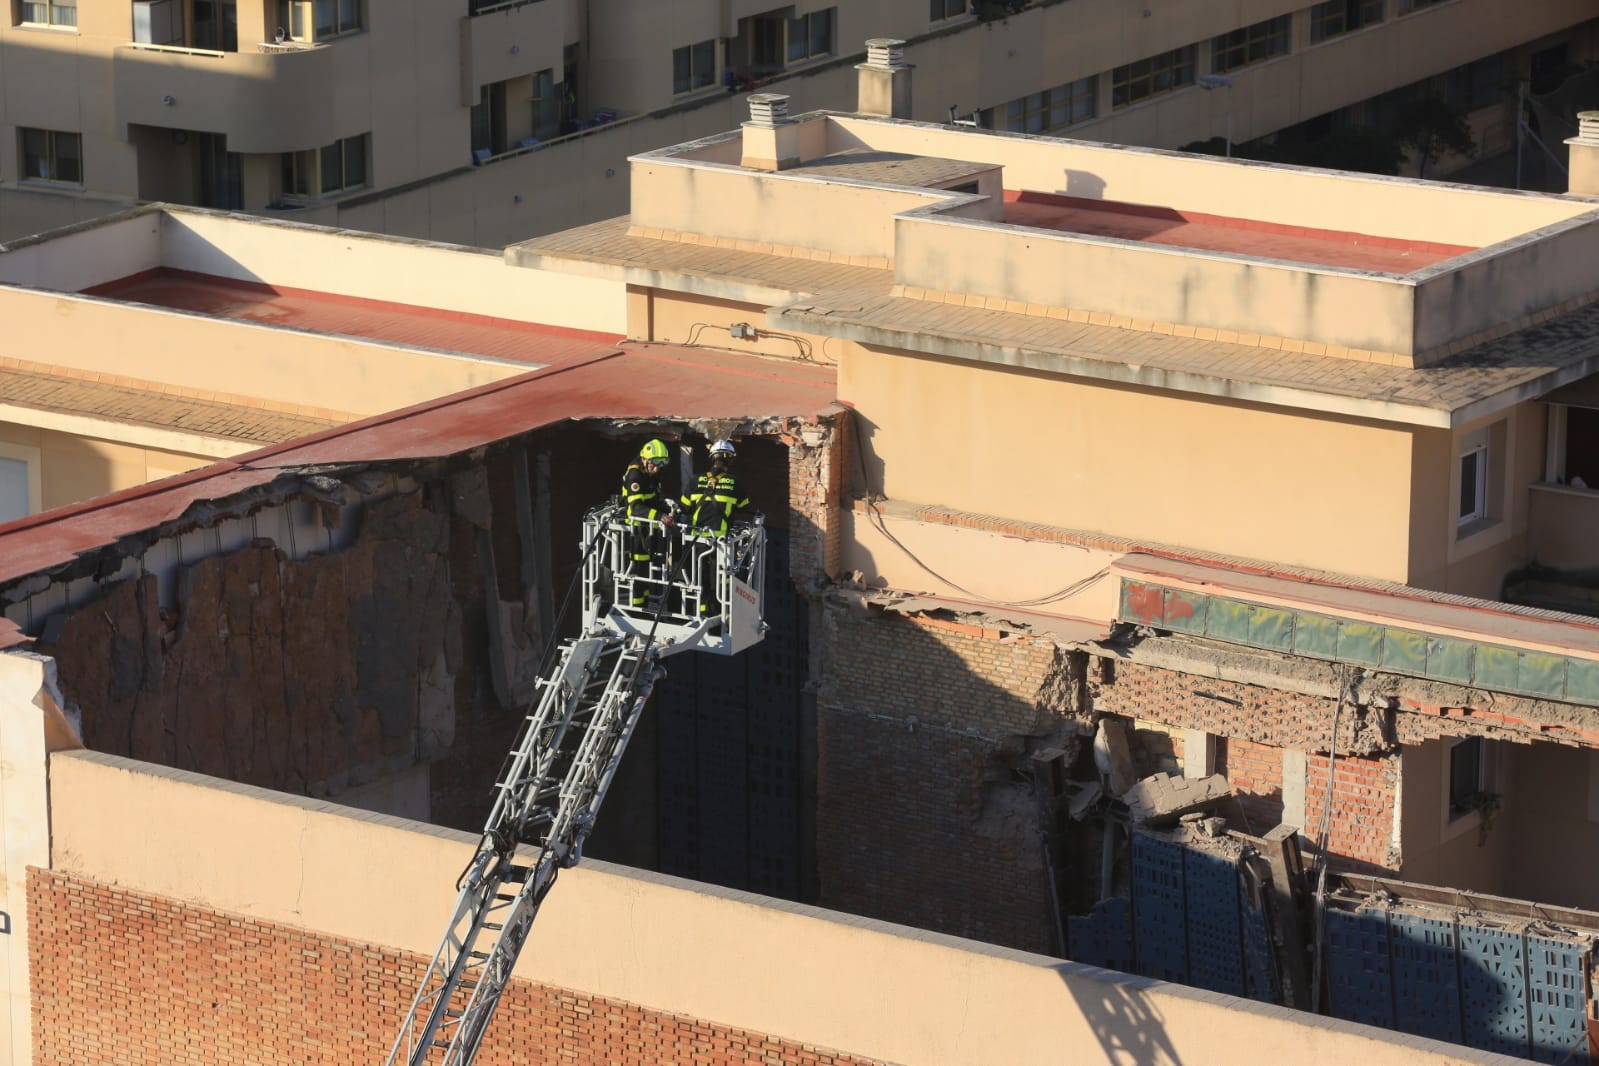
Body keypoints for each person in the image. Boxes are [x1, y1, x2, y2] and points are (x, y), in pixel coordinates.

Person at [682, 439, 751, 618]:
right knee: (720, 580)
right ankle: (720, 612)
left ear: (711, 458)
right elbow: (744, 509)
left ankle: (701, 610)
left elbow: (685, 508)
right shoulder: (736, 484)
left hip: (696, 541)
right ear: (730, 461)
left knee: (699, 578)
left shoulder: (694, 481)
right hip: (721, 543)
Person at [620, 439, 677, 607]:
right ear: (644, 459)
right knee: (640, 568)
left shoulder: (652, 472)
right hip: (637, 528)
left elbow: (654, 497)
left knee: (649, 567)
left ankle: (646, 601)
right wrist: (660, 516)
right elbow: (636, 508)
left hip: (649, 526)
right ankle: (638, 606)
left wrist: (669, 508)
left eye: (662, 463)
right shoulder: (635, 476)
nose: (658, 467)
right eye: (655, 463)